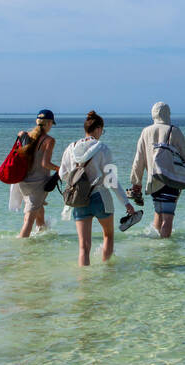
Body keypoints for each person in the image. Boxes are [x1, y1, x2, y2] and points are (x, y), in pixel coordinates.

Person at [58, 111, 137, 266]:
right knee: (108, 236)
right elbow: (111, 180)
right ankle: (107, 275)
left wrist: (79, 181)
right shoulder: (102, 148)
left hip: (79, 199)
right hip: (100, 196)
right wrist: (126, 202)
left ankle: (84, 283)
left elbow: (62, 174)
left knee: (83, 246)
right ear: (99, 129)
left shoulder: (70, 148)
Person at [129, 101, 185, 238]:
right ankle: (165, 251)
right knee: (168, 218)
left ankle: (156, 251)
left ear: (153, 114)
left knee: (158, 215)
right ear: (167, 114)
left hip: (153, 180)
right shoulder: (174, 131)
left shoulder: (146, 131)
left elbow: (138, 159)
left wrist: (136, 182)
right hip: (170, 180)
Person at [11, 109, 58, 238]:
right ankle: (22, 248)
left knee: (39, 210)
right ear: (48, 123)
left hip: (23, 182)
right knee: (28, 220)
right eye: (51, 124)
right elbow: (45, 164)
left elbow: (20, 135)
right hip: (38, 185)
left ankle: (41, 235)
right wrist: (60, 169)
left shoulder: (27, 136)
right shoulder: (49, 140)